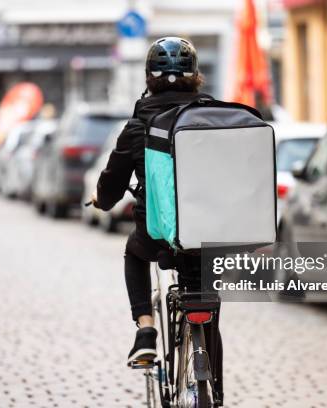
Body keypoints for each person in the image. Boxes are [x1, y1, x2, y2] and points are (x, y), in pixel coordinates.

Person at [90, 37, 223, 383]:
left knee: (134, 254)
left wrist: (100, 201)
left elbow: (111, 186)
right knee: (208, 307)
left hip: (156, 234)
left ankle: (145, 330)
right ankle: (215, 391)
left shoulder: (137, 127)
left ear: (149, 78)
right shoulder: (213, 120)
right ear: (195, 77)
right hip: (206, 232)